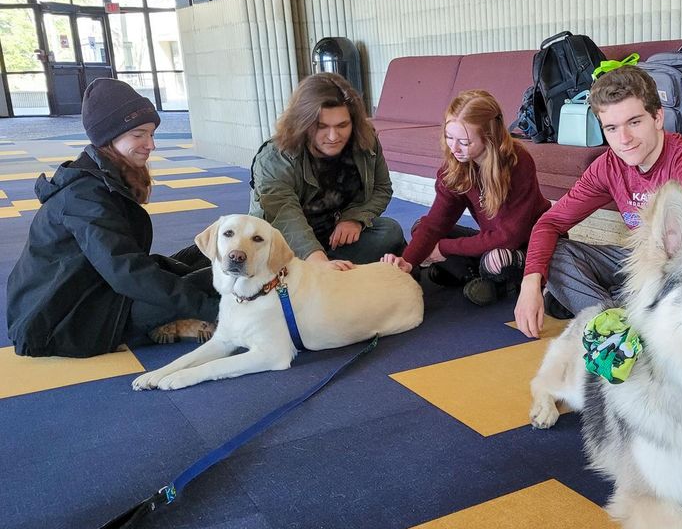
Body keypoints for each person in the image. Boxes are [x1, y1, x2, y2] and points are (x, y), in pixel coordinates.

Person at [514, 65, 682, 338]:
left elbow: (678, 248)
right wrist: (531, 283)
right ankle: (615, 326)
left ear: (657, 117)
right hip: (643, 263)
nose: (624, 140)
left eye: (634, 122)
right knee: (553, 255)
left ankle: (617, 318)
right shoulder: (608, 166)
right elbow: (550, 223)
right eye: (611, 128)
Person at [6, 78, 218, 358]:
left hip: (94, 289)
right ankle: (171, 322)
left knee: (212, 252)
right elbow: (127, 271)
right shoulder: (84, 195)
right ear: (109, 137)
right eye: (139, 135)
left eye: (151, 134)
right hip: (59, 323)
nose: (151, 145)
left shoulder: (103, 177)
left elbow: (124, 263)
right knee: (217, 276)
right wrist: (213, 309)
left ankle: (170, 321)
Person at [383, 90, 551, 305]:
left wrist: (444, 249)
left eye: (464, 141)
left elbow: (508, 237)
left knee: (497, 260)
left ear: (489, 138)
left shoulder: (518, 162)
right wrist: (407, 261)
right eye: (449, 137)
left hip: (528, 244)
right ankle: (477, 279)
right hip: (492, 239)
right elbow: (435, 223)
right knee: (420, 230)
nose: (454, 148)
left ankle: (480, 278)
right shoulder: (457, 166)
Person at [250, 72, 404, 270]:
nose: (333, 136)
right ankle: (325, 271)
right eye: (321, 126)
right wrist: (317, 261)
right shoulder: (275, 156)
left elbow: (382, 188)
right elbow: (284, 215)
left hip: (332, 237)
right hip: (286, 242)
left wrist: (355, 218)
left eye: (342, 125)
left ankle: (329, 271)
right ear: (303, 123)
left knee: (389, 232)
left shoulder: (365, 141)